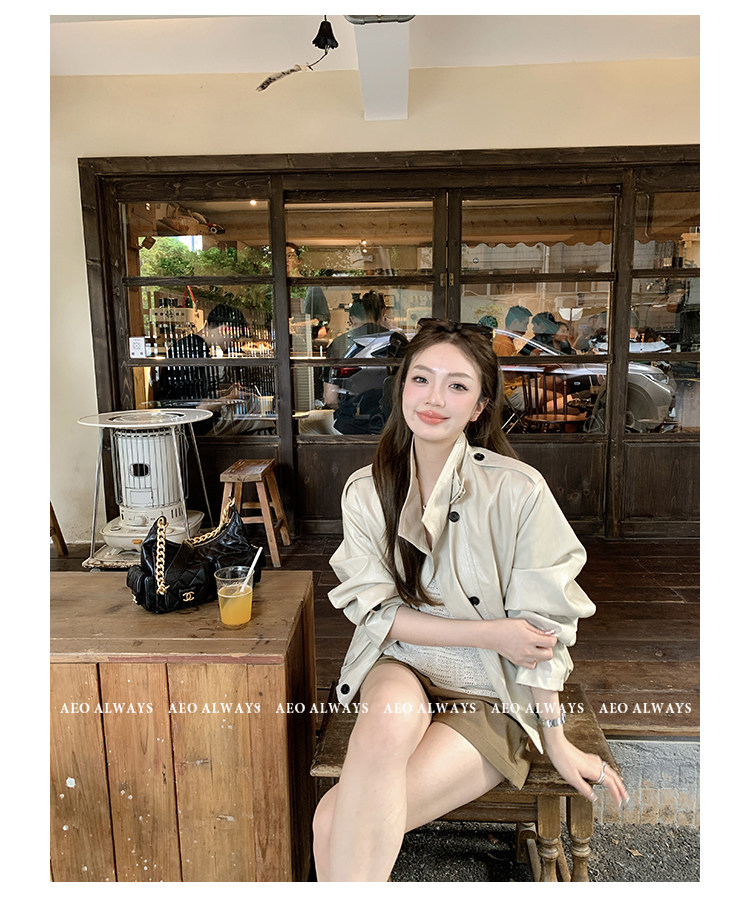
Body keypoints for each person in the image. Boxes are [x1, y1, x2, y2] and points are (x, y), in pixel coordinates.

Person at [312, 319, 628, 882]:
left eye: (457, 385)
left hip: (492, 691)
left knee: (332, 818)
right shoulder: (366, 490)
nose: (434, 399)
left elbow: (540, 630)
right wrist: (489, 632)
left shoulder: (517, 489)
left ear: (480, 406)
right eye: (421, 379)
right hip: (404, 664)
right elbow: (378, 615)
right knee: (385, 725)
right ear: (401, 388)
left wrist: (555, 741)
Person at [491, 305, 532, 414]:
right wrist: (528, 368)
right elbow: (508, 374)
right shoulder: (504, 343)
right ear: (514, 322)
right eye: (525, 324)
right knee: (555, 396)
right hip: (509, 391)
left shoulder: (506, 340)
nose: (526, 328)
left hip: (514, 386)